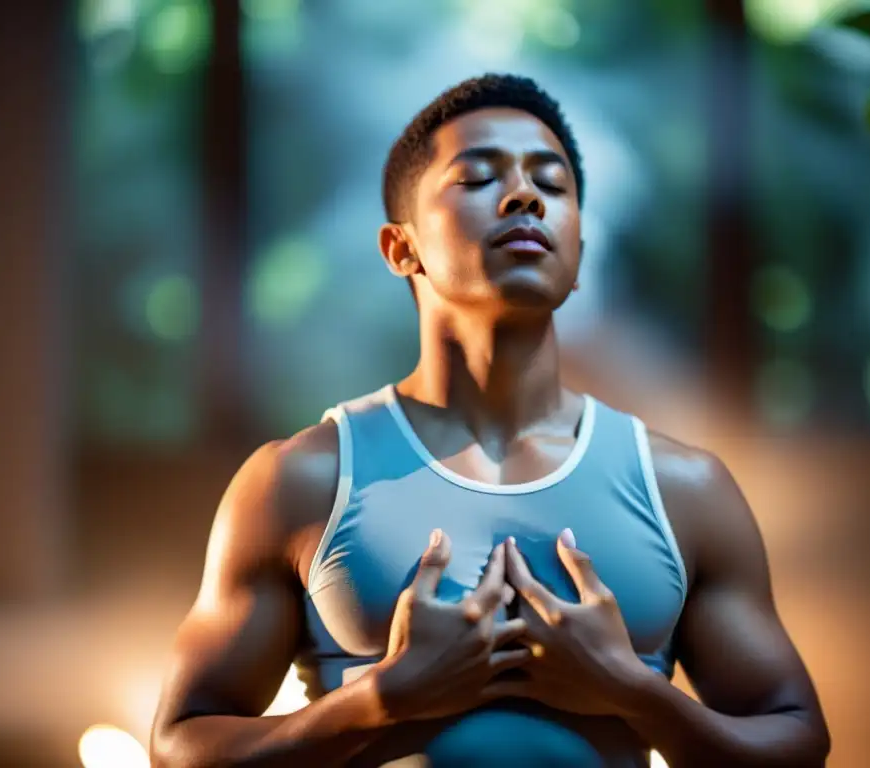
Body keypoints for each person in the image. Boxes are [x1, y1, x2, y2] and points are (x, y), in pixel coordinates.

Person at [150, 73, 830, 768]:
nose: (525, 196)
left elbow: (799, 744)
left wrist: (630, 690)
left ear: (579, 255)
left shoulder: (684, 487)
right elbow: (180, 746)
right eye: (478, 178)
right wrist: (378, 701)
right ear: (400, 248)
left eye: (553, 185)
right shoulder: (301, 480)